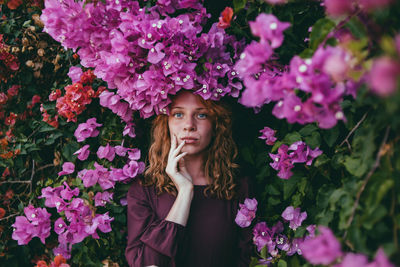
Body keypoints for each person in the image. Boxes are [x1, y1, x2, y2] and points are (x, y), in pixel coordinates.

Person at [125, 90, 253, 267]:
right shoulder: (143, 190)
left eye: (201, 115)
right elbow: (148, 264)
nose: (189, 125)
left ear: (216, 124)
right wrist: (185, 193)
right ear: (166, 123)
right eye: (178, 114)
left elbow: (246, 260)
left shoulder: (238, 188)